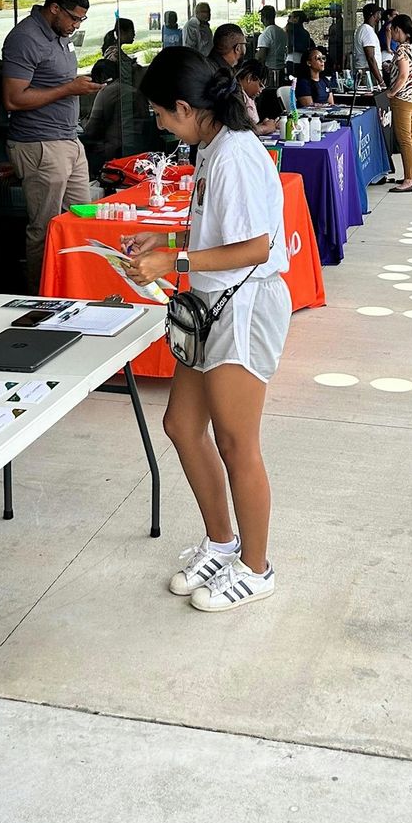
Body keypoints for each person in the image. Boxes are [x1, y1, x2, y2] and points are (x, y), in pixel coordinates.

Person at [122, 49, 290, 612]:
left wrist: (173, 264)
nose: (160, 125)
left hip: (242, 309)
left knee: (237, 443)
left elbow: (255, 248)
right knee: (181, 425)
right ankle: (222, 541)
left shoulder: (234, 155)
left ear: (186, 107)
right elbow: (215, 234)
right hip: (210, 305)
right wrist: (166, 245)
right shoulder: (212, 147)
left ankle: (257, 567)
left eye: (161, 115)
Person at [1, 0, 101, 289]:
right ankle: (40, 295)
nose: (76, 25)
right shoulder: (25, 38)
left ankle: (79, 286)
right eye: (73, 17)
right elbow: (13, 98)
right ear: (53, 8)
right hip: (39, 143)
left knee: (82, 221)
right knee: (44, 228)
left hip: (67, 139)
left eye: (81, 19)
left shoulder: (60, 35)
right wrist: (70, 88)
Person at [386, 14, 412, 191]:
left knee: (404, 140)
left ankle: (408, 180)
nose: (391, 34)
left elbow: (403, 75)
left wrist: (392, 92)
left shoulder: (402, 50)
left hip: (403, 98)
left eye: (392, 30)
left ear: (398, 30)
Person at [236, 58, 283, 136]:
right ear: (249, 78)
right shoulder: (234, 96)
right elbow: (241, 131)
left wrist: (262, 124)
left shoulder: (247, 96)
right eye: (260, 85)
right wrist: (266, 128)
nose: (260, 91)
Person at [90, 18, 137, 84]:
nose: (134, 35)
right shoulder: (114, 54)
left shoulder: (114, 51)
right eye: (132, 31)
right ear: (122, 32)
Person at [353, 3, 385, 90]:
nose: (380, 16)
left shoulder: (364, 29)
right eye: (378, 13)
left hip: (367, 71)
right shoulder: (367, 31)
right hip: (369, 73)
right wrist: (380, 80)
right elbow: (370, 58)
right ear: (374, 15)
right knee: (373, 99)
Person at [256, 5, 287, 78]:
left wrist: (256, 56)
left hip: (270, 71)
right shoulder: (281, 31)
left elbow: (261, 56)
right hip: (282, 69)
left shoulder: (265, 34)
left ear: (263, 18)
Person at [284, 9, 312, 82]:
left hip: (292, 60)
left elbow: (289, 46)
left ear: (297, 19)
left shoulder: (291, 31)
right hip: (301, 60)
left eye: (290, 17)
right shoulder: (305, 33)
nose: (288, 19)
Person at [326, 3, 345, 77]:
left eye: (332, 11)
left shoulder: (340, 23)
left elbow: (339, 38)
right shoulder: (336, 22)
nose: (330, 13)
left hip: (337, 50)